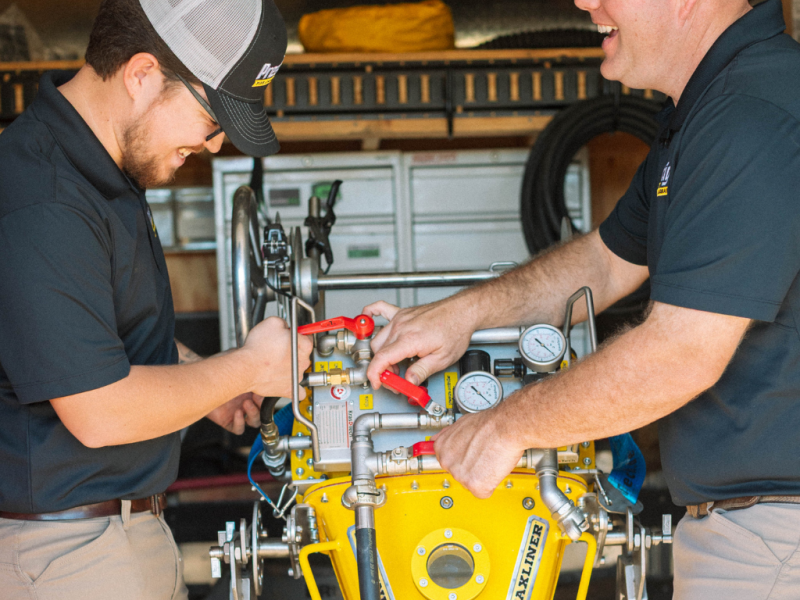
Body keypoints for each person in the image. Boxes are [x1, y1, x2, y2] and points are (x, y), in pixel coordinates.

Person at [364, 0, 800, 597]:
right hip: (759, 529)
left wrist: (506, 426)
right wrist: (460, 316)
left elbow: (681, 354)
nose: (585, 2)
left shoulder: (750, 114)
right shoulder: (707, 109)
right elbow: (605, 260)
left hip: (776, 538)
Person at [0, 0, 311, 599]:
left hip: (110, 538)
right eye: (213, 118)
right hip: (68, 554)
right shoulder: (47, 196)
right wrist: (246, 367)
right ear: (142, 74)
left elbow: (92, 332)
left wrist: (206, 380)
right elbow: (99, 410)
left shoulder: (100, 170)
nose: (215, 144)